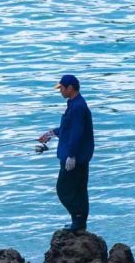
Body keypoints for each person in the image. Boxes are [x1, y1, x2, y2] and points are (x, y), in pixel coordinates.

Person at [38, 74, 94, 232]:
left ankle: (78, 219)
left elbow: (76, 133)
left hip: (75, 156)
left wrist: (71, 156)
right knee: (78, 188)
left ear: (70, 88)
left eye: (61, 88)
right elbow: (68, 128)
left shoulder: (78, 107)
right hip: (79, 155)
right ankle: (79, 222)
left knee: (64, 189)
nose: (60, 91)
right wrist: (50, 133)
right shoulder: (74, 104)